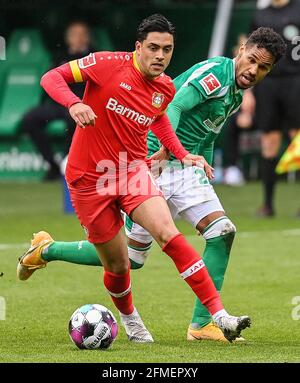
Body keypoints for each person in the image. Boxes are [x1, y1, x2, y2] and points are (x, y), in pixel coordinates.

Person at [17, 26, 285, 343]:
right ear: (241, 49)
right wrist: (168, 152)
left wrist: (198, 162)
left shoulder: (236, 91)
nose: (254, 71)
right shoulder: (213, 74)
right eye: (252, 60)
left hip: (183, 169)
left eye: (263, 68)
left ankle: (205, 323)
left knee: (221, 232)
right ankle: (47, 250)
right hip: (153, 163)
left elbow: (205, 132)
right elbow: (172, 108)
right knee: (128, 261)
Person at [21, 21, 93, 181]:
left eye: (82, 35)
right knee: (29, 119)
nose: (78, 38)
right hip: (58, 103)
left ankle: (68, 166)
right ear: (68, 38)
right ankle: (53, 165)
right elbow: (49, 79)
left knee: (74, 120)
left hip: (81, 103)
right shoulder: (60, 56)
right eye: (74, 35)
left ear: (88, 38)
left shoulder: (94, 57)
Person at [251, 0, 300, 216]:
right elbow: (246, 47)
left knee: (297, 141)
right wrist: (247, 92)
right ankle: (267, 204)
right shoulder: (260, 15)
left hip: (296, 81)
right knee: (269, 142)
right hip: (267, 83)